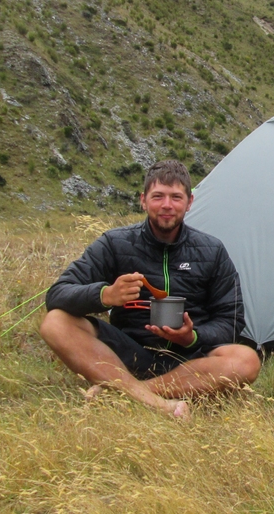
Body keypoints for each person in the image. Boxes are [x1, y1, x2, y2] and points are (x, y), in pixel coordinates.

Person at [39, 159, 261, 417]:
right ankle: (158, 402)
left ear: (190, 202)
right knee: (55, 322)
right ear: (143, 200)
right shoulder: (115, 243)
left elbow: (232, 320)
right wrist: (105, 295)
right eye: (158, 197)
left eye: (176, 197)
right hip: (129, 352)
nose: (167, 205)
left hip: (191, 359)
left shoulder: (212, 251)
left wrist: (192, 337)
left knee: (246, 360)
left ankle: (128, 391)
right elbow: (57, 294)